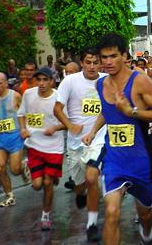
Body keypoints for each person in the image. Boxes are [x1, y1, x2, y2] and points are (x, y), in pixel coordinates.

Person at [83, 33, 152, 245]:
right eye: (104, 57)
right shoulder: (100, 85)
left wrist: (132, 112)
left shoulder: (140, 83)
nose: (108, 62)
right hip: (115, 160)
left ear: (124, 56)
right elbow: (107, 112)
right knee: (111, 212)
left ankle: (147, 235)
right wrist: (93, 131)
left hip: (141, 160)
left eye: (113, 56)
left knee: (145, 213)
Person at [53, 48, 106, 242]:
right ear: (82, 63)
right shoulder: (70, 81)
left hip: (98, 139)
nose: (92, 66)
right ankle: (81, 192)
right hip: (75, 142)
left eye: (95, 62)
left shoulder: (106, 80)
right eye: (88, 62)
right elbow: (57, 109)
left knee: (92, 178)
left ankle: (92, 224)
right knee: (79, 183)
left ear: (100, 63)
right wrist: (70, 126)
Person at [18, 67, 65, 230]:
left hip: (54, 148)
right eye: (39, 80)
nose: (42, 83)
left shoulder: (59, 97)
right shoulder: (28, 94)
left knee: (47, 183)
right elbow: (21, 114)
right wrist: (23, 129)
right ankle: (29, 165)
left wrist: (55, 128)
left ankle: (45, 215)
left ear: (52, 81)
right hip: (34, 146)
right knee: (37, 185)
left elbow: (68, 122)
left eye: (46, 80)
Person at [0, 72, 30, 207]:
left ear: (5, 83)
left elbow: (24, 113)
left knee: (14, 170)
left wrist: (24, 129)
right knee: (1, 167)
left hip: (15, 136)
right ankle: (9, 196)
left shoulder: (15, 96)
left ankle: (23, 166)